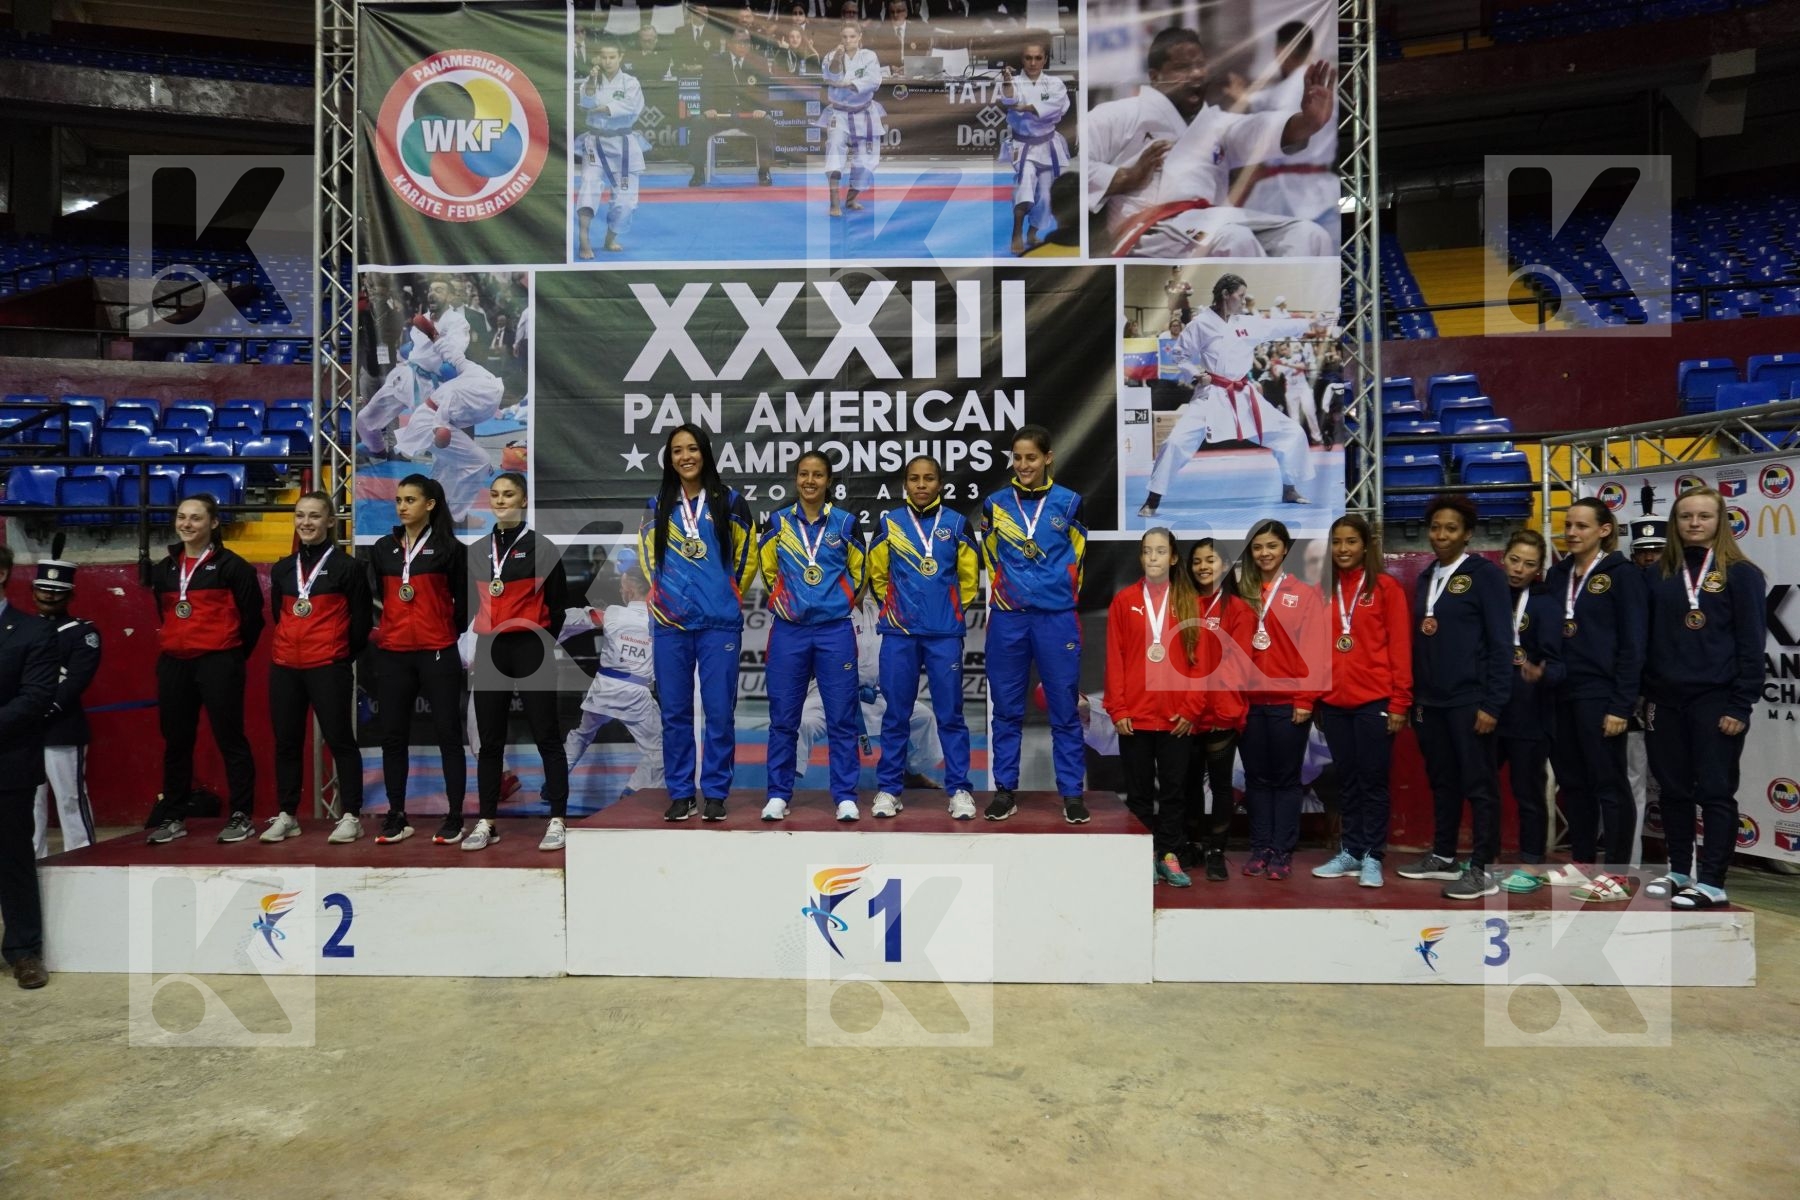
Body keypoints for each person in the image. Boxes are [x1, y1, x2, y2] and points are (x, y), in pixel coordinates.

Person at [1086, 27, 1335, 258]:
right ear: (1155, 76)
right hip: (1147, 229)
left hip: (1209, 220)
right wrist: (1126, 177)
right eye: (1183, 67)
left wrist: (1308, 123)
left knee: (1310, 236)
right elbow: (1070, 166)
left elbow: (1260, 129)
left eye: (1200, 65)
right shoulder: (1119, 114)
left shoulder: (1217, 124)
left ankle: (1294, 307)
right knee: (1234, 239)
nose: (1196, 74)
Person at [1641, 487, 1766, 908]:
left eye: (1704, 516)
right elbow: (1647, 641)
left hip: (1716, 701)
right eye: (1685, 516)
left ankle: (1712, 881)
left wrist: (1740, 703)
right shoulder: (1658, 574)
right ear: (1675, 524)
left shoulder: (1741, 573)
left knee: (1714, 791)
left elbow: (1751, 644)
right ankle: (1679, 871)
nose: (1694, 523)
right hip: (1664, 701)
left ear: (1721, 521)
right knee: (1673, 792)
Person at [1396, 497, 1516, 899]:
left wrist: (1493, 703)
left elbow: (1502, 643)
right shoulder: (1429, 575)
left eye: (1450, 528)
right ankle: (1444, 855)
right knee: (1442, 781)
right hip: (1432, 702)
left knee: (1480, 785)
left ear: (1467, 533)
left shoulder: (1485, 575)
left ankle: (1484, 866)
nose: (1440, 535)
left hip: (1471, 700)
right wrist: (1417, 700)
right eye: (1435, 527)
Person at [640, 424, 758, 822]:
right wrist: (667, 599)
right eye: (677, 451)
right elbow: (648, 558)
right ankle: (680, 792)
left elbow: (746, 558)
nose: (685, 456)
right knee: (674, 711)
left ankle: (715, 792)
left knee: (719, 710)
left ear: (705, 453)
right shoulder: (658, 502)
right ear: (669, 458)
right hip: (671, 623)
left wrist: (725, 594)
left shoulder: (731, 501)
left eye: (692, 449)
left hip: (717, 624)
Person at [1137, 274, 1327, 516]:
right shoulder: (1201, 323)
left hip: (1244, 395)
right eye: (1240, 295)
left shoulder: (1246, 322)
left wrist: (1310, 322)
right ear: (1226, 295)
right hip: (1212, 394)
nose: (1243, 300)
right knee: (1175, 442)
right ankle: (1153, 499)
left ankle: (1289, 488)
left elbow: (1278, 325)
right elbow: (1179, 355)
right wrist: (1196, 374)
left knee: (1291, 433)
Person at [1541, 497, 1648, 901]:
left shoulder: (1623, 575)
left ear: (1604, 530)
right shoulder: (1558, 574)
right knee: (1574, 783)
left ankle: (1617, 874)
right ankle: (1583, 862)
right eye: (1568, 525)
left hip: (1601, 694)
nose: (1571, 532)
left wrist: (1622, 704)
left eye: (1582, 526)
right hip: (1561, 693)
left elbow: (1633, 643)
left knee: (1610, 784)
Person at [981, 425, 1087, 822]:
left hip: (1056, 619)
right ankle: (1005, 789)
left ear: (1048, 458)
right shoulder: (995, 505)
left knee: (1064, 708)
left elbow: (1077, 559)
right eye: (1018, 457)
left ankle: (1073, 794)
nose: (1024, 464)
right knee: (1006, 709)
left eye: (1031, 457)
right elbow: (992, 558)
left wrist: (1050, 593)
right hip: (1009, 618)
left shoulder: (1070, 502)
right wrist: (1015, 593)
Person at [145, 496, 265, 846]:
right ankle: (174, 815)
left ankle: (241, 814)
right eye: (181, 517)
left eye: (196, 518)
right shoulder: (165, 568)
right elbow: (164, 614)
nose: (186, 524)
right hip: (174, 663)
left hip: (219, 661)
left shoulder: (234, 567)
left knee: (231, 739)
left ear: (213, 523)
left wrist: (230, 655)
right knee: (176, 742)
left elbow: (253, 619)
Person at [865, 454, 980, 818]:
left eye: (928, 478)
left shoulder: (958, 524)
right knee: (895, 714)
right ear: (905, 484)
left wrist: (943, 611)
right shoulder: (890, 524)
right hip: (899, 633)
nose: (921, 485)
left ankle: (959, 788)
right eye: (914, 479)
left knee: (950, 714)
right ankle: (888, 789)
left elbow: (969, 579)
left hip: (944, 634)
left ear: (940, 483)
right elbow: (878, 576)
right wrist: (900, 609)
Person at [464, 472, 570, 852]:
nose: (500, 500)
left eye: (508, 494)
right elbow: (471, 605)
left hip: (531, 647)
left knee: (546, 735)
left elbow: (558, 607)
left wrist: (539, 641)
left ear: (523, 500)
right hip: (491, 648)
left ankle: (557, 817)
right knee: (490, 742)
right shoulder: (477, 550)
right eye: (494, 494)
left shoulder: (542, 547)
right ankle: (486, 820)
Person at [759, 452, 866, 821]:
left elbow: (860, 572)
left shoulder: (846, 523)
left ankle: (845, 795)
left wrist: (835, 603)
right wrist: (789, 603)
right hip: (789, 631)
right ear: (796, 478)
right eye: (804, 474)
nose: (810, 481)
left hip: (834, 630)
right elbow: (768, 570)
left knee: (841, 716)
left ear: (828, 480)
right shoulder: (777, 522)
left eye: (817, 475)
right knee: (783, 717)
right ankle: (778, 793)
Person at [262, 492, 372, 845]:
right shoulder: (282, 569)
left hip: (328, 666)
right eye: (300, 516)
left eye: (314, 516)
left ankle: (352, 815)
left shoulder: (348, 568)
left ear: (330, 522)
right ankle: (287, 814)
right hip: (285, 668)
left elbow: (361, 623)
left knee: (341, 741)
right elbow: (278, 614)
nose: (306, 523)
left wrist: (339, 656)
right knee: (287, 743)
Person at [367, 475, 469, 845]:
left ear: (430, 504)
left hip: (437, 650)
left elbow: (463, 605)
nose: (402, 506)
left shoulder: (451, 550)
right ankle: (396, 813)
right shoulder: (382, 549)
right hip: (394, 653)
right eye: (398, 500)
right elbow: (380, 595)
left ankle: (455, 814)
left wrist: (440, 632)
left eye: (410, 499)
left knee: (448, 735)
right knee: (393, 736)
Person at [1310, 515, 1411, 888]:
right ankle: (1350, 851)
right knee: (1347, 782)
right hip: (1335, 704)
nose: (1343, 549)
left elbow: (1400, 649)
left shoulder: (1386, 588)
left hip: (1375, 702)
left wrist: (1400, 702)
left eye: (1350, 541)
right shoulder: (1324, 591)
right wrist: (1319, 698)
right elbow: (1317, 650)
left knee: (1373, 782)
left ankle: (1372, 855)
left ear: (1366, 545)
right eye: (1336, 542)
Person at [1106, 528, 1205, 887]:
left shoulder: (1190, 600)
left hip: (1177, 717)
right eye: (1147, 551)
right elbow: (1115, 659)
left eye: (1160, 552)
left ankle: (1169, 854)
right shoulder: (1124, 600)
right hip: (1136, 716)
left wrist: (1193, 708)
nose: (1152, 558)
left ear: (1173, 558)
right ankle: (1143, 856)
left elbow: (1201, 661)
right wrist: (1117, 709)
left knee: (1175, 794)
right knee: (1139, 795)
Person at [1230, 519, 1327, 880]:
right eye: (1257, 547)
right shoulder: (1241, 592)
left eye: (1271, 546)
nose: (1264, 553)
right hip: (1250, 703)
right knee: (1256, 779)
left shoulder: (1304, 593)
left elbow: (1315, 650)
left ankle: (1283, 851)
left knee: (1286, 780)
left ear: (1285, 548)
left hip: (1289, 702)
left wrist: (1305, 698)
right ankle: (1261, 847)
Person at [0, 545, 58, 989]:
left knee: (14, 858)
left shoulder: (32, 632)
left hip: (9, 763)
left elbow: (35, 698)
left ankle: (24, 952)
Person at [1494, 529, 1563, 893]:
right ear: (1503, 557)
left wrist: (1543, 672)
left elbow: (1559, 662)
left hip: (1529, 713)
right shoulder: (1488, 596)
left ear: (1539, 569)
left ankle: (1532, 862)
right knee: (1482, 789)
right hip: (1488, 711)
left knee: (1528, 792)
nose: (1519, 569)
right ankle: (1482, 858)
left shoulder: (1547, 603)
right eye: (1515, 560)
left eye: (1530, 564)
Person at [559, 566, 664, 802]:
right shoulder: (658, 619)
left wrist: (546, 632)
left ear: (628, 589)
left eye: (621, 585)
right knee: (659, 749)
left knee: (581, 735)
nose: (619, 589)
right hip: (635, 693)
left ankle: (555, 778)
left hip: (604, 688)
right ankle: (633, 790)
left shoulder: (612, 613)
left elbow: (576, 619)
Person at [391, 307, 504, 527]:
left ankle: (433, 513)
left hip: (431, 417)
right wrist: (439, 430)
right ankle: (455, 517)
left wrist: (433, 333)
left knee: (447, 466)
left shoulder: (470, 377)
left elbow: (450, 356)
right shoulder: (469, 380)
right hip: (431, 421)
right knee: (479, 462)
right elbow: (445, 407)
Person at [1180, 537, 1252, 881]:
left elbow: (1238, 665)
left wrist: (1207, 698)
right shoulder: (1182, 605)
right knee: (1189, 785)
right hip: (1187, 715)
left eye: (1210, 560)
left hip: (1221, 711)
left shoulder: (1238, 609)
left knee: (1221, 787)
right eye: (1197, 561)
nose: (1203, 567)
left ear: (1225, 565)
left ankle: (1217, 851)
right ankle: (1193, 844)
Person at [1234, 21, 1339, 246]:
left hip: (1290, 193)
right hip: (1317, 188)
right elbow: (1262, 101)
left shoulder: (1294, 87)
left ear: (1280, 51)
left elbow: (1276, 127)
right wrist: (1244, 97)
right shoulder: (1305, 86)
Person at [28, 539, 99, 858]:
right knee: (29, 802)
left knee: (70, 799)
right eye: (44, 590)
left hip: (61, 728)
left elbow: (75, 681)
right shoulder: (21, 631)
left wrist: (38, 708)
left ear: (69, 594)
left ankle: (84, 859)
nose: (49, 596)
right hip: (23, 731)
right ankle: (31, 861)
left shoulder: (82, 633)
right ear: (34, 592)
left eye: (56, 592)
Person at [354, 277, 470, 460]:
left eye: (439, 290)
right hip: (406, 374)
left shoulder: (458, 322)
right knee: (365, 419)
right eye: (431, 290)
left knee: (438, 439)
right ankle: (377, 450)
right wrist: (407, 352)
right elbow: (415, 348)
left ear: (450, 297)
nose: (432, 294)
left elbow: (454, 354)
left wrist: (432, 333)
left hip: (430, 386)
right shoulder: (422, 318)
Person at [999, 37, 1070, 256]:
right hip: (1024, 146)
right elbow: (1009, 101)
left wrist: (1027, 107)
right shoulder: (1014, 82)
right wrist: (1008, 82)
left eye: (1037, 58)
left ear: (1045, 59)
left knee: (1046, 196)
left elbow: (1057, 106)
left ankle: (1032, 231)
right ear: (1022, 59)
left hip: (1048, 145)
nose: (1032, 62)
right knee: (1025, 186)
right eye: (1028, 58)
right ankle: (1016, 232)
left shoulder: (1055, 84)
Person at [1623, 514, 1667, 865]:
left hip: (1673, 699)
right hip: (1635, 701)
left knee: (1680, 787)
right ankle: (1630, 864)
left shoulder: (1681, 586)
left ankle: (1684, 868)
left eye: (1657, 551)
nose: (1649, 558)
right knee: (1632, 784)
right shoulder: (1626, 588)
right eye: (1643, 552)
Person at [576, 40, 646, 258]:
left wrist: (604, 108)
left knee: (625, 202)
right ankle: (584, 239)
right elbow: (585, 105)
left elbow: (631, 107)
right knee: (589, 183)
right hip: (595, 144)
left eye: (612, 57)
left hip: (623, 144)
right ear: (598, 58)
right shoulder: (590, 80)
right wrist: (590, 83)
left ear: (621, 57)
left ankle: (610, 238)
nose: (607, 62)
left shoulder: (630, 82)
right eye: (604, 57)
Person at [691, 27, 776, 187]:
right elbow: (706, 88)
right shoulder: (715, 61)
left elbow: (764, 90)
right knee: (698, 122)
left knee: (767, 121)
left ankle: (764, 171)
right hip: (721, 116)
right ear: (730, 43)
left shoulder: (758, 62)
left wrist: (761, 108)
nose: (743, 46)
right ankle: (698, 171)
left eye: (746, 42)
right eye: (739, 42)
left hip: (749, 117)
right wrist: (708, 108)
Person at [818, 21, 884, 217]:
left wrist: (849, 83)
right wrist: (837, 59)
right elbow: (830, 76)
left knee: (867, 161)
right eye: (845, 37)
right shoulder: (832, 56)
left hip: (865, 113)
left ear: (859, 37)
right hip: (839, 113)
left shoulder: (869, 56)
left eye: (852, 37)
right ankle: (834, 202)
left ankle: (852, 198)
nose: (848, 41)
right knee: (835, 148)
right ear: (841, 38)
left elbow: (874, 81)